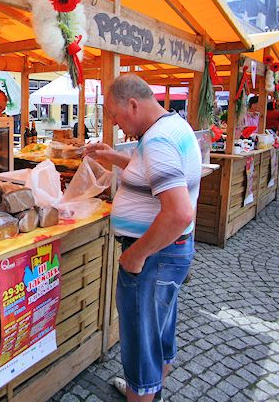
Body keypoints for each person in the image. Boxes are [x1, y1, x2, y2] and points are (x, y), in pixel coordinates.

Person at [84, 74, 200, 402]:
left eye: (116, 116)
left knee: (139, 337)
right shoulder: (172, 126)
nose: (117, 125)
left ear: (133, 104)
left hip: (153, 256)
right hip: (170, 252)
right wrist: (113, 157)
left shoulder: (157, 141)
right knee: (157, 328)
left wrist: (136, 255)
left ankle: (141, 391)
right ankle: (151, 390)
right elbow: (148, 170)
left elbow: (178, 213)